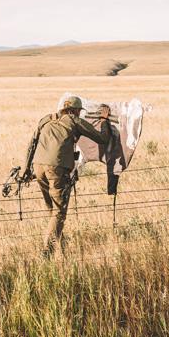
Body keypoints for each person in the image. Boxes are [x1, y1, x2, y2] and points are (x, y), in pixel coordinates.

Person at [22, 95, 112, 257]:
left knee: (52, 210)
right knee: (59, 212)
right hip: (57, 168)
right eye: (78, 111)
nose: (79, 114)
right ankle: (47, 253)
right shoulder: (73, 120)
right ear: (72, 111)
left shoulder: (46, 119)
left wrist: (25, 170)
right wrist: (104, 120)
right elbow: (102, 138)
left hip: (38, 166)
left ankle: (61, 247)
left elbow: (32, 144)